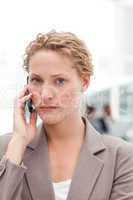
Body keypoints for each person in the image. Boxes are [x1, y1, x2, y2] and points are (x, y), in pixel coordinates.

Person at [0, 31, 133, 200]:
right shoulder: (8, 149)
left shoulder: (121, 157)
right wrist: (18, 141)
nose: (46, 94)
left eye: (60, 81)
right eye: (36, 80)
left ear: (84, 82)